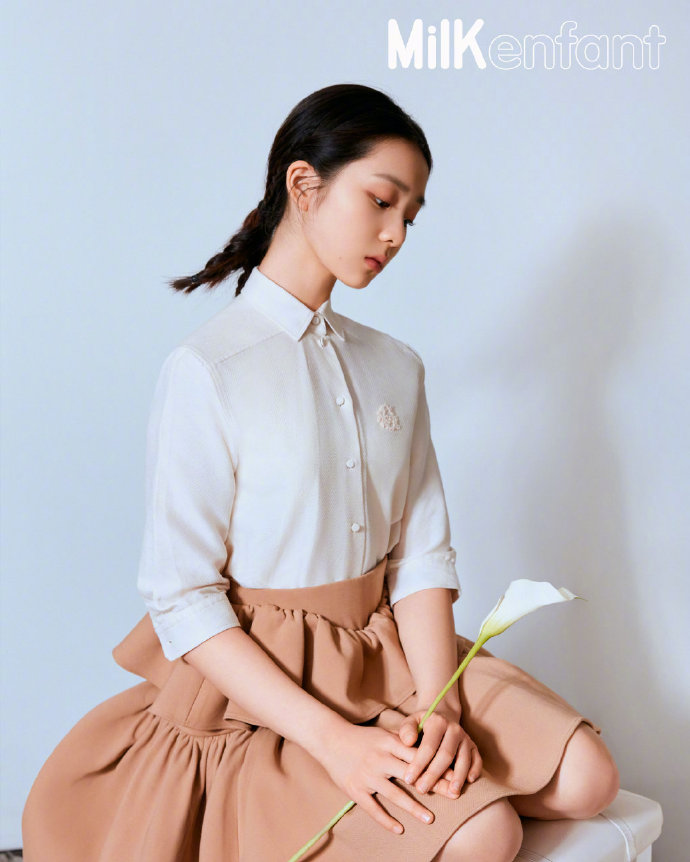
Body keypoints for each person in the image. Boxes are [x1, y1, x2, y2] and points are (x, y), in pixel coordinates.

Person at [22, 82, 619, 862]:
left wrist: (439, 710)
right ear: (304, 186)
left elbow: (420, 558)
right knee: (488, 833)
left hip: (390, 655)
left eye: (411, 216)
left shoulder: (396, 365)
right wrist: (337, 743)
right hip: (269, 681)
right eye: (382, 200)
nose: (396, 233)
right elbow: (181, 597)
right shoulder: (209, 369)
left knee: (589, 779)